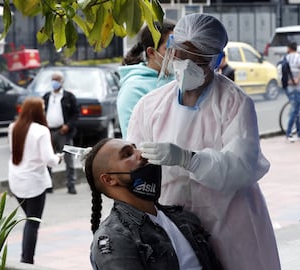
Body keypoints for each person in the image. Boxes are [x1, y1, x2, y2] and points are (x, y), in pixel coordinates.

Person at [127, 13, 280, 270]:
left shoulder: (235, 103)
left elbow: (241, 167)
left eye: (197, 60)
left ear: (216, 61)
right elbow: (132, 160)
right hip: (173, 223)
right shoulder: (150, 105)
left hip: (230, 220)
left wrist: (189, 160)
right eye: (180, 56)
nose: (186, 65)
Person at [84, 138, 223, 269]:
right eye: (127, 154)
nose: (142, 154)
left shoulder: (184, 218)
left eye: (136, 148)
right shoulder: (115, 238)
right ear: (109, 180)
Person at [8, 97, 63, 264]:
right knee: (32, 223)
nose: (44, 111)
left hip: (16, 180)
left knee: (29, 220)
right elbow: (49, 160)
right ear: (38, 111)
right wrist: (59, 158)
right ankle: (26, 261)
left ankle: (26, 259)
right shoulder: (41, 131)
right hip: (34, 183)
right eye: (43, 108)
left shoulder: (13, 127)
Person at [117, 20, 175, 138]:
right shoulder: (133, 89)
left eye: (179, 47)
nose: (176, 54)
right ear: (152, 52)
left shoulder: (180, 81)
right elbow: (133, 138)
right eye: (169, 49)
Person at [43, 72, 79, 194]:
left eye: (57, 80)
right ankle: (48, 186)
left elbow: (76, 114)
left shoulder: (69, 97)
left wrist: (68, 125)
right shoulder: (47, 96)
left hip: (64, 132)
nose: (55, 82)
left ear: (62, 81)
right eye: (53, 79)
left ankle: (71, 185)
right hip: (49, 132)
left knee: (68, 159)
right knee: (48, 158)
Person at [283, 42, 300, 142]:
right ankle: (288, 133)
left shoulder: (285, 58)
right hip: (297, 87)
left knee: (296, 109)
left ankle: (299, 132)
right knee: (295, 110)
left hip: (288, 87)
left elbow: (280, 71)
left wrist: (287, 81)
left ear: (289, 48)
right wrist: (297, 79)